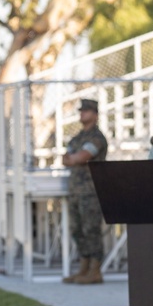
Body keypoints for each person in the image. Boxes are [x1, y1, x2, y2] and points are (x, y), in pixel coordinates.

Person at [61, 99, 108, 285]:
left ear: (95, 114)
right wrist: (73, 159)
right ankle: (84, 268)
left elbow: (82, 157)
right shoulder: (77, 137)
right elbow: (66, 159)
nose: (82, 114)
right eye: (81, 111)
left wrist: (74, 158)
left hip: (91, 191)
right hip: (75, 190)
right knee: (77, 229)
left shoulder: (97, 138)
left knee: (91, 229)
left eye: (86, 111)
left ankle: (95, 270)